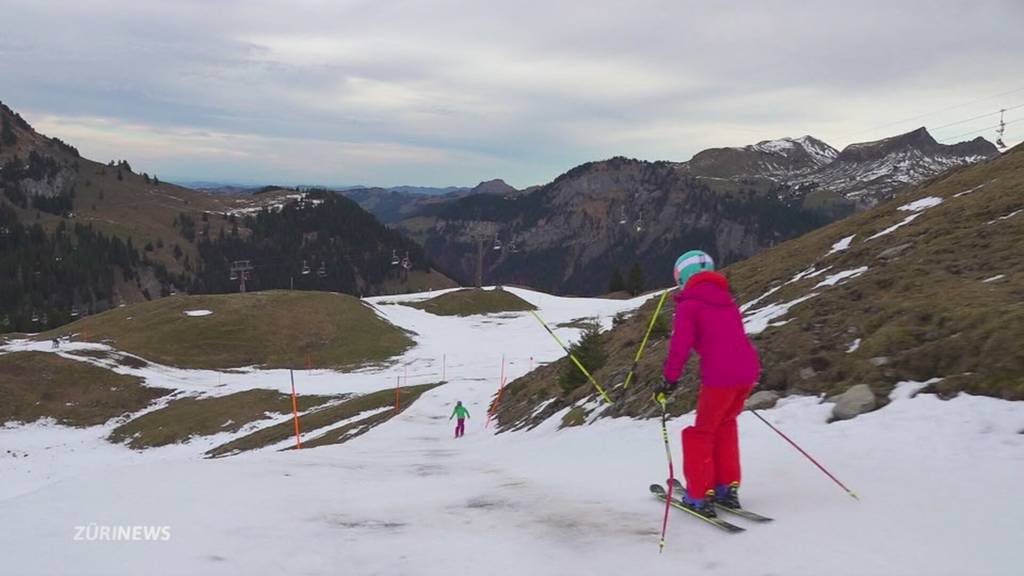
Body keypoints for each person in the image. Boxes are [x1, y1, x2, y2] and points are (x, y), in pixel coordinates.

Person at [655, 250, 761, 518]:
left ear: (685, 276)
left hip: (720, 378)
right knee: (725, 425)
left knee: (700, 433)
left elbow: (680, 348)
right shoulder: (727, 300)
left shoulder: (690, 304)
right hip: (747, 373)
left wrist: (669, 381)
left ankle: (699, 496)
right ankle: (726, 488)